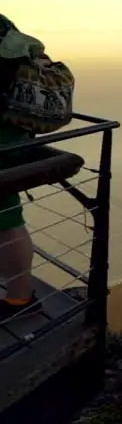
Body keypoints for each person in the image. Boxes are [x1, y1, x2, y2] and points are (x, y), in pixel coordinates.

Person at [0, 16, 42, 322]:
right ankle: (20, 295)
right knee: (7, 217)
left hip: (3, 140)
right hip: (13, 133)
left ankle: (19, 299)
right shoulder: (4, 27)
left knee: (7, 220)